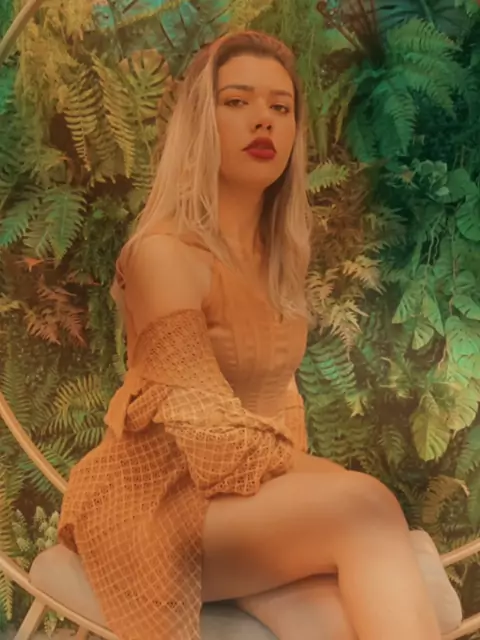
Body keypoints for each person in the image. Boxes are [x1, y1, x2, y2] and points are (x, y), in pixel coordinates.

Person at [58, 30, 462, 640]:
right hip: (158, 501)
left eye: (280, 107)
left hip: (250, 502)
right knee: (367, 506)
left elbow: (280, 407)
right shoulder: (163, 255)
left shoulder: (278, 258)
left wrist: (320, 492)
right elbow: (208, 431)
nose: (263, 121)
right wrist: (344, 487)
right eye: (237, 101)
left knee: (337, 623)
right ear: (201, 120)